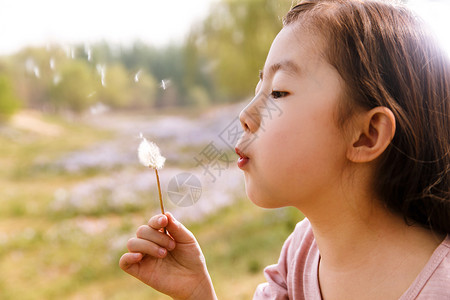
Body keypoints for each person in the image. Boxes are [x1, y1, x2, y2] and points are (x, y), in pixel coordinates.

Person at [119, 0, 450, 299]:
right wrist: (197, 294)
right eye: (258, 89)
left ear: (366, 135)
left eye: (277, 93)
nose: (245, 116)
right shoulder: (300, 256)